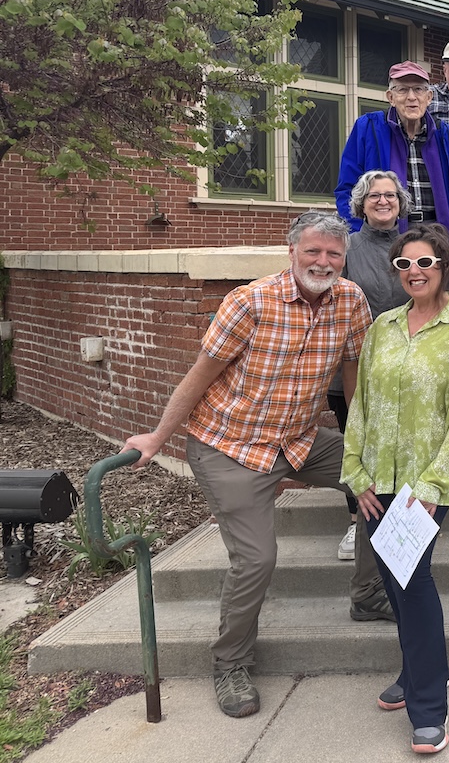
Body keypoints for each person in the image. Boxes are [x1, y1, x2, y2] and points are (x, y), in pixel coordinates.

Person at [122, 212, 384, 718]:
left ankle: (369, 593)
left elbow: (353, 378)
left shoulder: (351, 301)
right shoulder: (249, 302)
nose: (323, 262)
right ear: (291, 252)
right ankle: (230, 662)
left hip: (300, 441)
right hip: (229, 447)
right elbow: (199, 377)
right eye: (313, 251)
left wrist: (361, 448)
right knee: (258, 559)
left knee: (383, 485)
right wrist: (157, 438)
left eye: (333, 253)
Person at [342, 222, 449, 756]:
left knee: (412, 581)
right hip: (376, 478)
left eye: (425, 262)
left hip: (426, 482)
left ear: (444, 265)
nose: (415, 272)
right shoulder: (382, 327)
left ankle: (427, 708)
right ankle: (423, 668)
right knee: (392, 576)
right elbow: (360, 405)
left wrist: (433, 482)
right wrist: (355, 474)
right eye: (404, 264)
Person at [329, 171, 414, 561]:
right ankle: (356, 525)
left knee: (403, 447)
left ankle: (405, 526)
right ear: (361, 204)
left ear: (401, 203)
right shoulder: (345, 248)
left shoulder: (414, 246)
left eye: (391, 195)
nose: (383, 201)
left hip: (406, 367)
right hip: (353, 367)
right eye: (374, 196)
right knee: (358, 447)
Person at [335, 61, 449, 285]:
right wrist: (361, 236)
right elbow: (346, 190)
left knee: (440, 307)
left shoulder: (447, 138)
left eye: (418, 89)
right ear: (390, 96)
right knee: (390, 302)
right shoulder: (368, 128)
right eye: (402, 89)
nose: (411, 97)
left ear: (429, 97)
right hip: (387, 234)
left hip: (438, 235)